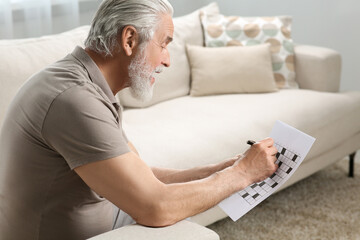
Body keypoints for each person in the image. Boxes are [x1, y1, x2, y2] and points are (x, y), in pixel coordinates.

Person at [0, 0, 278, 239]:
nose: (167, 60)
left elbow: (142, 176)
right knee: (174, 218)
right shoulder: (74, 100)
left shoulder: (87, 82)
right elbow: (155, 207)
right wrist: (241, 175)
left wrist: (219, 170)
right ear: (130, 40)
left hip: (103, 216)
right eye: (164, 45)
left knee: (183, 220)